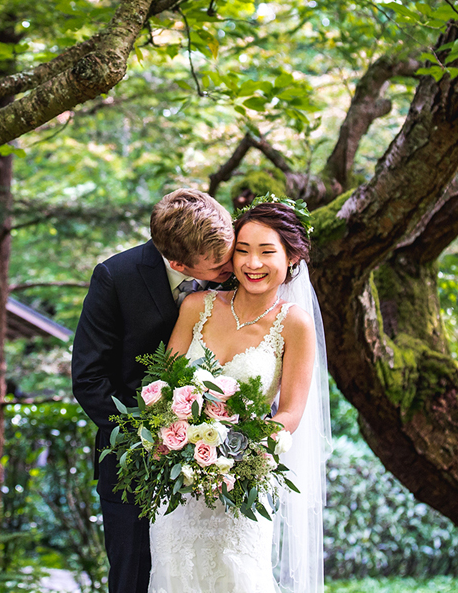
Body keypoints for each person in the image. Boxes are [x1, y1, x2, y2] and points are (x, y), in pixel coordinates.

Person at [148, 199, 330, 593]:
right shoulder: (196, 306)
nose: (252, 263)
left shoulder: (294, 324)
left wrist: (235, 454)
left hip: (240, 488)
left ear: (292, 256)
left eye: (267, 252)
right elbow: (165, 387)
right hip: (178, 489)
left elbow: (291, 412)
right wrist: (175, 439)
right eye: (243, 251)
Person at [72, 190, 236, 593]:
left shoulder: (238, 276)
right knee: (132, 580)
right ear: (180, 263)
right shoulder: (115, 277)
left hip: (218, 468)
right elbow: (90, 378)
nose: (234, 266)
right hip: (132, 467)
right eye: (219, 265)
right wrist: (154, 435)